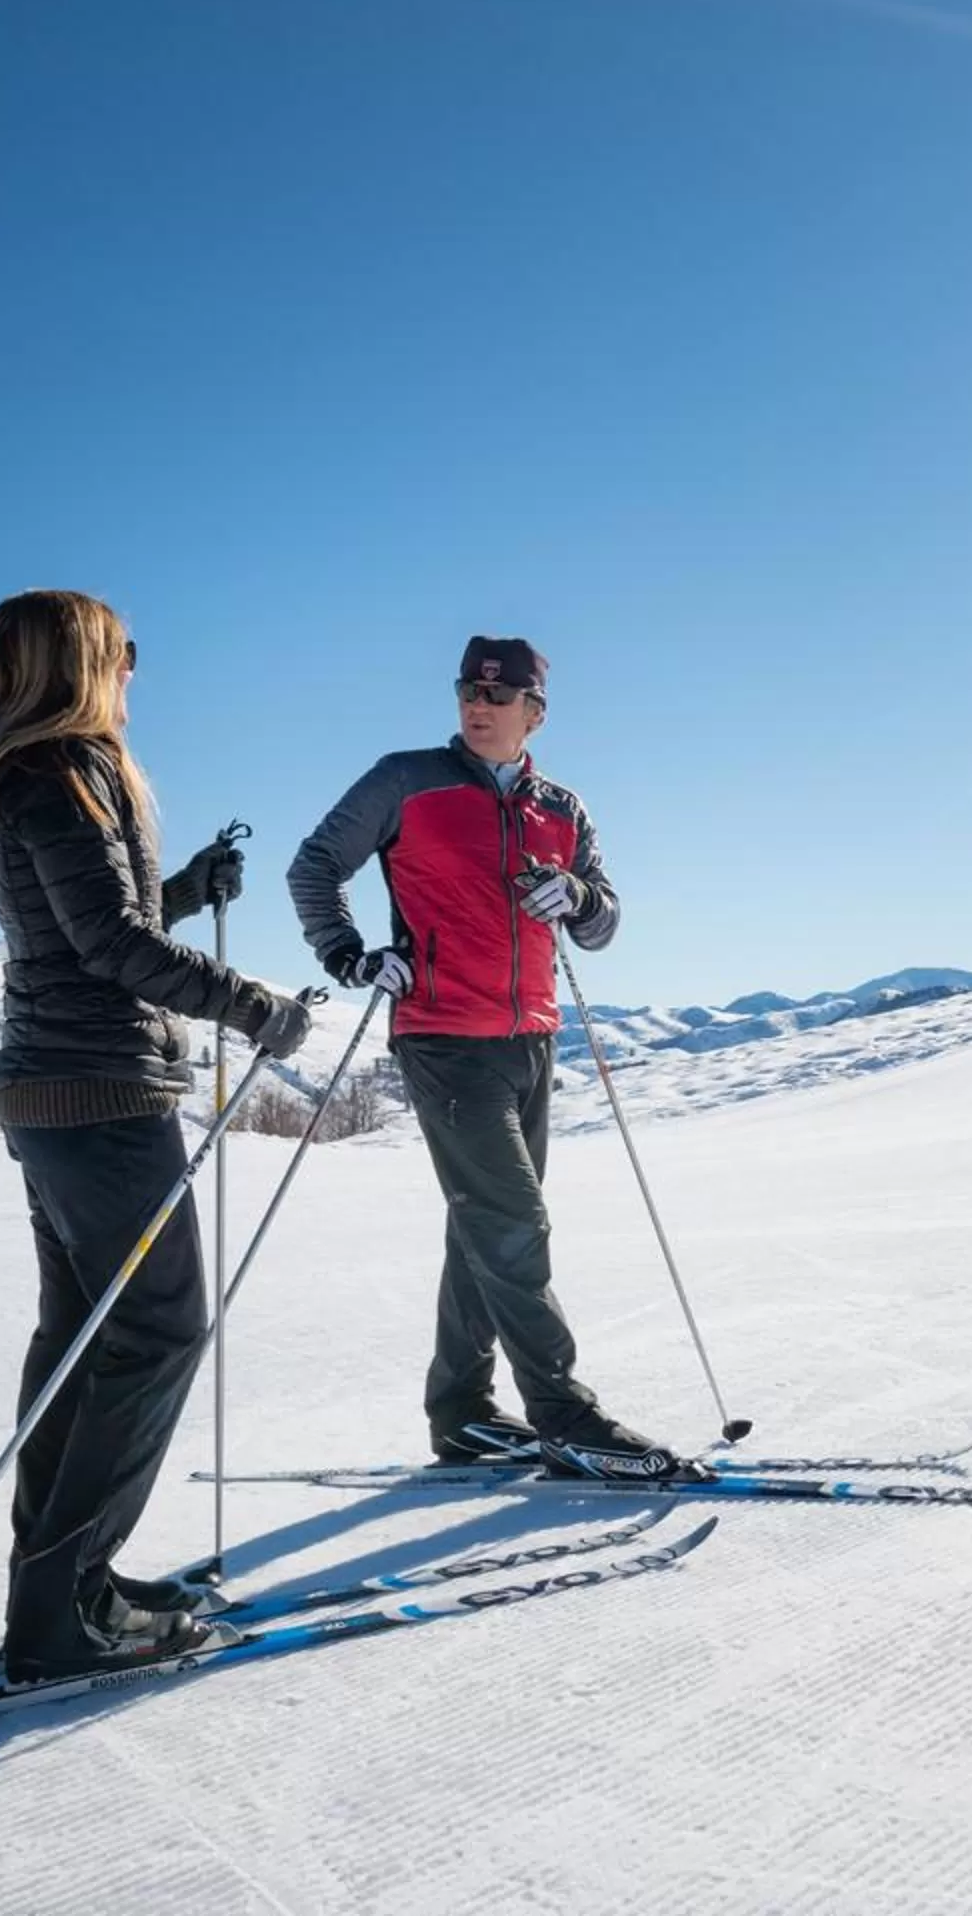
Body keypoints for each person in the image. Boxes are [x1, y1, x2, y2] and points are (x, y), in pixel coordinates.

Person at [0, 589, 314, 1682]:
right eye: (126, 651)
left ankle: (61, 1588)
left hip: (57, 1091)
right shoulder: (61, 770)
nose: (138, 669)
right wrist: (254, 1007)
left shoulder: (37, 771)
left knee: (83, 1339)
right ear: (83, 659)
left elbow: (86, 927)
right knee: (156, 1328)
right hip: (97, 1092)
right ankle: (67, 1607)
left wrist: (185, 887)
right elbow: (105, 943)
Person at [287, 635, 693, 1482]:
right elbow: (315, 867)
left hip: (532, 1040)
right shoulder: (406, 780)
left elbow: (605, 920)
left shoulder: (562, 807)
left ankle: (464, 1412)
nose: (479, 704)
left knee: (483, 1223)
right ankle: (565, 1417)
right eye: (469, 689)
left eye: (499, 696)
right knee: (513, 1224)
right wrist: (350, 954)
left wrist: (576, 896)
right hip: (442, 1036)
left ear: (535, 712)